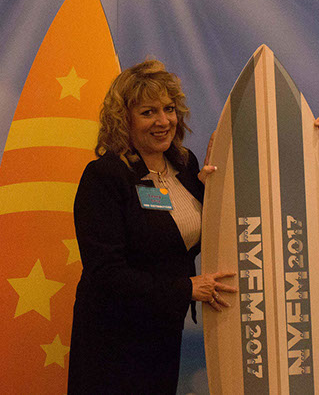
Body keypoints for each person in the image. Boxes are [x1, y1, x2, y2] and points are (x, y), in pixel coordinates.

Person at [67, 60, 236, 394]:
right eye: (148, 112)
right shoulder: (105, 177)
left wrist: (213, 191)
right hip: (114, 341)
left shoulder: (184, 165)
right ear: (124, 119)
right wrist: (185, 289)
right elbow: (106, 273)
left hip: (163, 333)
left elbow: (181, 236)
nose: (163, 121)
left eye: (169, 109)